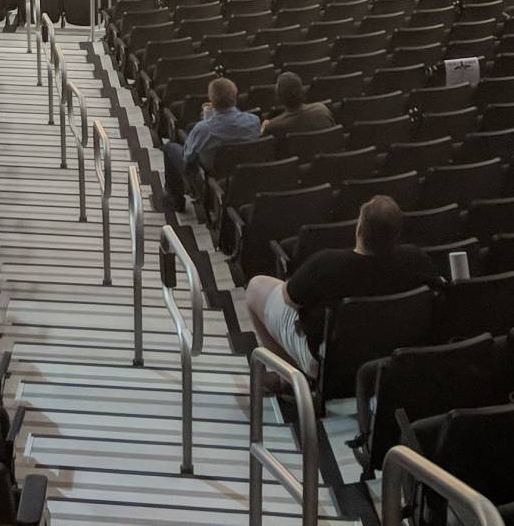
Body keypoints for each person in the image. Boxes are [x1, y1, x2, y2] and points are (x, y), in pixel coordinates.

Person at [244, 196, 439, 385]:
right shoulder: (415, 259)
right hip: (389, 355)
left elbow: (290, 299)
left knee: (256, 287)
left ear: (359, 229)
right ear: (397, 234)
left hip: (330, 365)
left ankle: (288, 378)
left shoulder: (326, 263)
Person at [162, 76, 259, 209]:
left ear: (212, 100)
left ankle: (176, 200)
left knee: (170, 148)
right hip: (241, 174)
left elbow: (187, 157)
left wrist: (205, 121)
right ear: (235, 97)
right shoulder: (253, 121)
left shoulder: (203, 129)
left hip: (208, 178)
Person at [262, 72, 334, 138]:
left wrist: (264, 129)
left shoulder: (273, 127)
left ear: (278, 98)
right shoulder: (322, 110)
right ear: (303, 91)